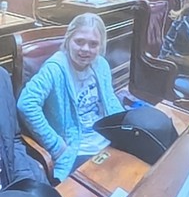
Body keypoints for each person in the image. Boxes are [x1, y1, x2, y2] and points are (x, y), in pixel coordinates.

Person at [16, 13, 123, 183]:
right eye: (79, 41)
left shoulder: (100, 64)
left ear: (101, 46)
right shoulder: (55, 69)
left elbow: (110, 100)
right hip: (76, 149)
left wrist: (123, 128)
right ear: (68, 40)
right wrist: (57, 147)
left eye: (93, 44)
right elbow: (26, 104)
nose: (86, 49)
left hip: (107, 139)